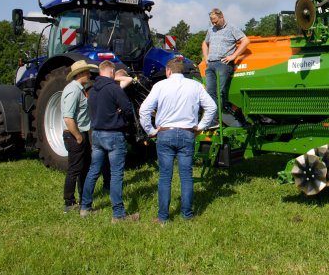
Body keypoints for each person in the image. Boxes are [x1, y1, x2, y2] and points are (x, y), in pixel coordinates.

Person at [139, 57, 217, 225]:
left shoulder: (160, 86)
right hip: (187, 133)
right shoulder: (195, 86)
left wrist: (150, 130)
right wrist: (200, 126)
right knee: (186, 176)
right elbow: (212, 107)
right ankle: (187, 215)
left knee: (165, 177)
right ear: (182, 71)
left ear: (168, 71)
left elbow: (144, 109)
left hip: (165, 133)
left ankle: (163, 217)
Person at [81, 60, 139, 224]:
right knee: (116, 174)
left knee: (93, 170)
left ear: (100, 72)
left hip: (97, 134)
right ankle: (118, 214)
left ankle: (85, 207)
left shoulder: (92, 91)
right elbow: (128, 109)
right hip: (113, 134)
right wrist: (120, 115)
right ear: (112, 72)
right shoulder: (114, 88)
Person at [61, 60, 98, 213]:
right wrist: (78, 136)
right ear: (80, 74)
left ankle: (83, 199)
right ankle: (69, 202)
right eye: (87, 72)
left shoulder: (80, 89)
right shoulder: (73, 90)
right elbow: (68, 118)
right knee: (75, 169)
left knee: (83, 168)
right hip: (74, 135)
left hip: (79, 133)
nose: (89, 75)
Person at [201, 8, 250, 120]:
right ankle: (214, 119)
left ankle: (221, 118)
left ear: (221, 17)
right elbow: (204, 43)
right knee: (210, 92)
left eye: (215, 20)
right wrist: (206, 57)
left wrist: (233, 56)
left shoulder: (231, 28)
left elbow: (245, 41)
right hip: (211, 64)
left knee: (220, 92)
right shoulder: (211, 30)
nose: (213, 23)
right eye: (211, 21)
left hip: (223, 64)